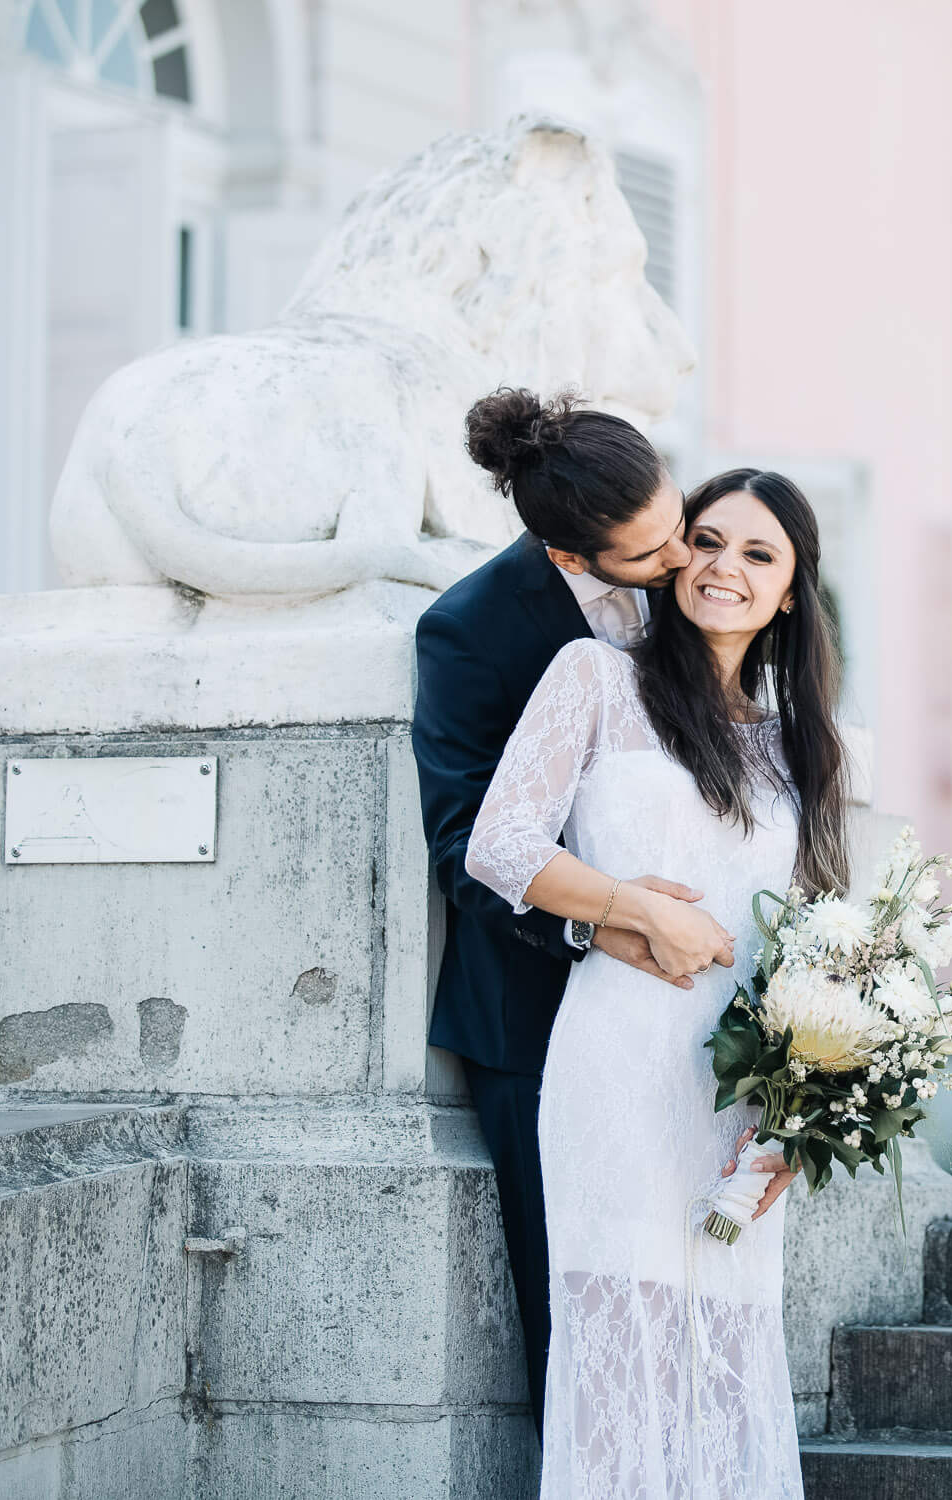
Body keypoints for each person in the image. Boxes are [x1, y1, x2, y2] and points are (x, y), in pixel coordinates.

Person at [465, 438, 844, 1496]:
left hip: (741, 1088)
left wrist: (802, 1115)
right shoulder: (596, 676)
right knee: (620, 1328)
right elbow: (498, 845)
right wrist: (628, 907)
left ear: (787, 593)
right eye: (707, 541)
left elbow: (819, 945)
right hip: (619, 1058)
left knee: (725, 1343)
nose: (723, 565)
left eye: (758, 556)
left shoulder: (799, 747)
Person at [413, 387, 727, 1430]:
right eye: (651, 554)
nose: (685, 560)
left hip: (680, 1015)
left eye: (679, 524)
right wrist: (608, 922)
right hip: (533, 1016)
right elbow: (466, 847)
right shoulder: (467, 633)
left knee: (686, 1292)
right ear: (569, 558)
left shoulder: (691, 576)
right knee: (579, 1311)